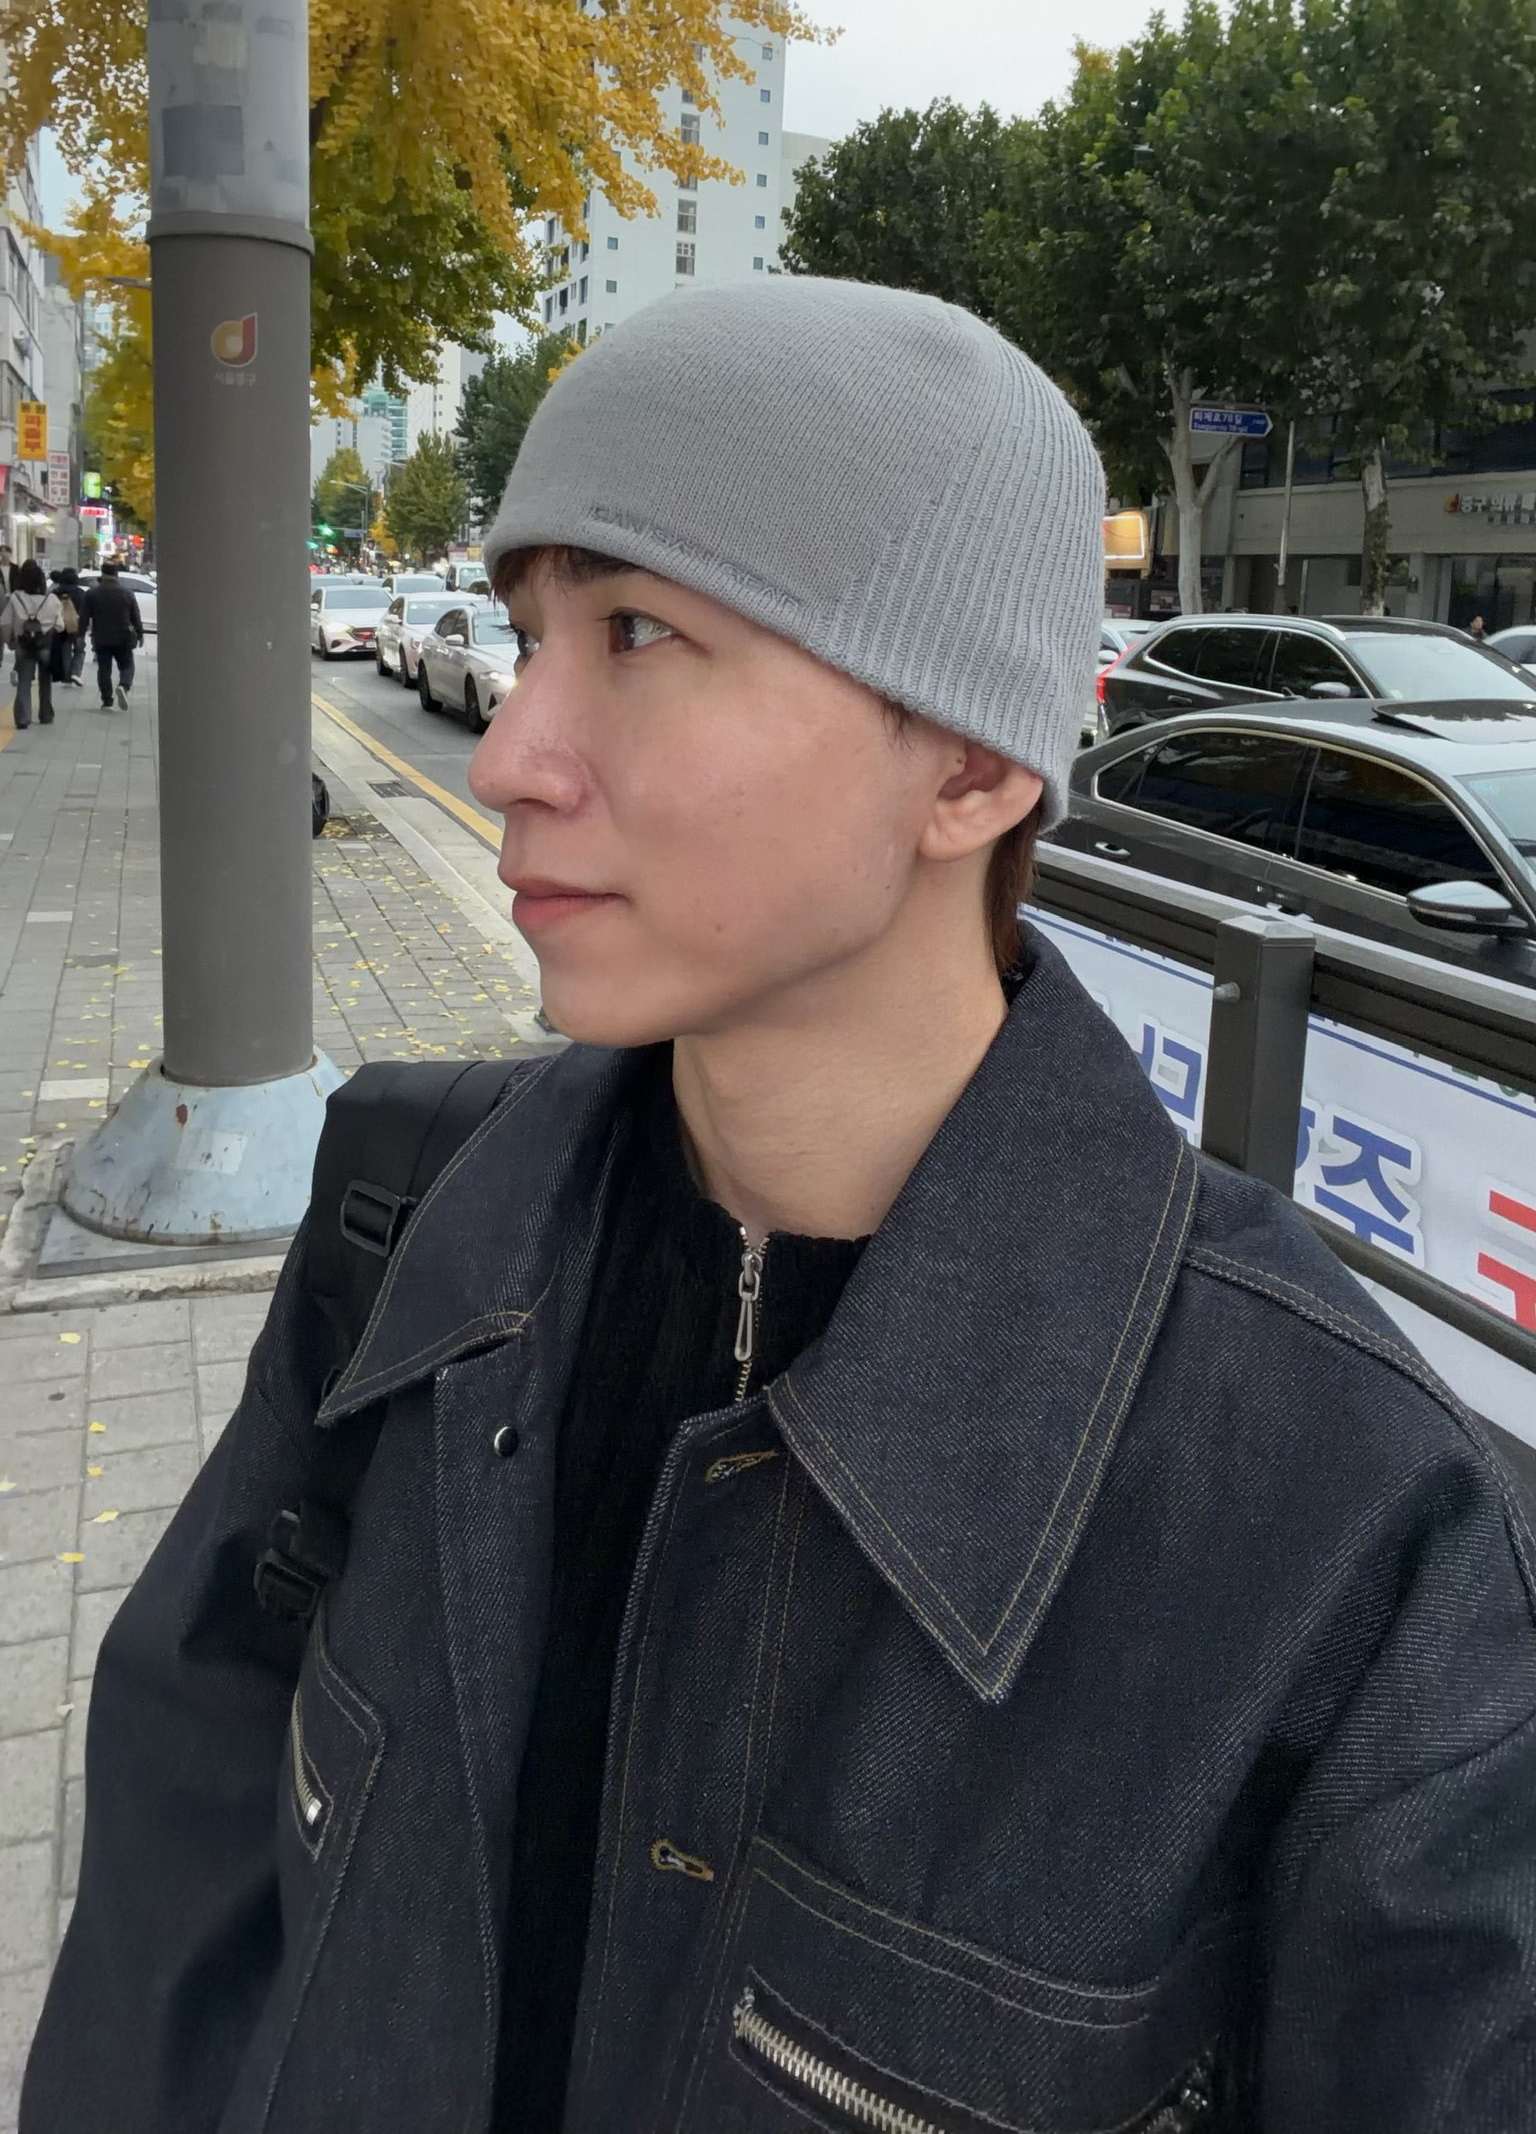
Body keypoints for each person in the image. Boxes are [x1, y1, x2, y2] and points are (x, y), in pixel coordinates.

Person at [24, 281, 1536, 2134]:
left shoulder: (1339, 1525)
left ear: (970, 764)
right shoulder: (410, 1221)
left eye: (640, 632)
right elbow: (175, 1900)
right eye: (532, 633)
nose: (509, 751)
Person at [0, 557, 63, 728]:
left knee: (24, 680)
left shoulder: (16, 598)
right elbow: (60, 625)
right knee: (45, 680)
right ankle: (45, 714)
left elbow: (5, 623)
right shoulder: (51, 599)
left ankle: (22, 717)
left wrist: (10, 640)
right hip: (45, 645)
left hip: (23, 643)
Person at [86, 557, 143, 710]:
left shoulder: (93, 593)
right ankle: (123, 685)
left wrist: (79, 636)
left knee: (104, 669)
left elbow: (84, 616)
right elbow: (135, 615)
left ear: (102, 573)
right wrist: (140, 633)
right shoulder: (127, 592)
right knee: (127, 665)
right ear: (116, 574)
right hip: (123, 636)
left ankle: (107, 700)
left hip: (101, 637)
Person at [50, 566, 91, 687]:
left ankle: (67, 676)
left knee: (65, 650)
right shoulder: (81, 593)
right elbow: (85, 611)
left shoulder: (55, 592)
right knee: (79, 649)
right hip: (77, 625)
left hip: (60, 626)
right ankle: (75, 672)